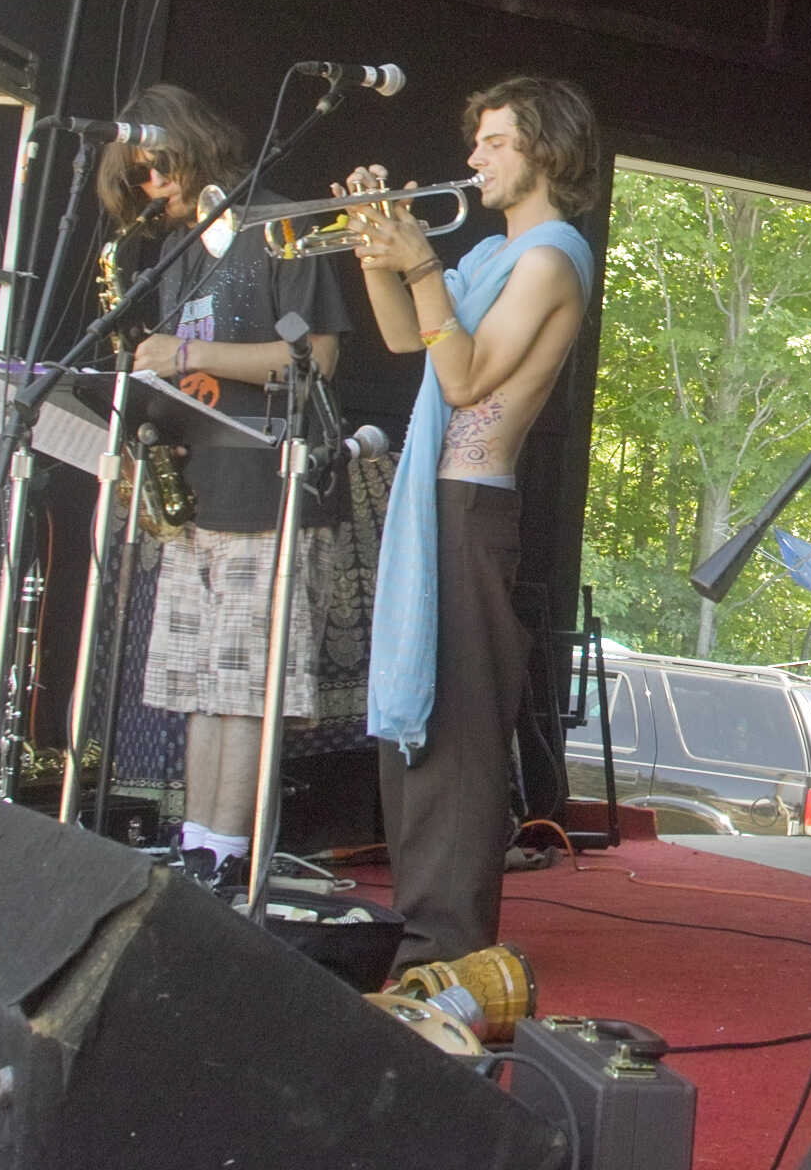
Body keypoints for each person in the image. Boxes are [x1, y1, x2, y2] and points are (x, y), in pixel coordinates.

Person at [343, 75, 599, 967]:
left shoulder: (551, 257)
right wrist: (375, 248)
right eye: (478, 140)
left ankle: (444, 949)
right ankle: (420, 932)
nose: (474, 157)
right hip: (441, 505)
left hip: (470, 503)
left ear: (544, 150)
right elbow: (406, 338)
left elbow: (463, 378)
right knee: (420, 736)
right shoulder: (494, 254)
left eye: (495, 142)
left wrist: (420, 263)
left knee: (455, 736)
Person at [97, 83, 349, 890]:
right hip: (198, 496)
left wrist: (187, 355)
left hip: (268, 493)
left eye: (157, 167)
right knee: (201, 692)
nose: (151, 187)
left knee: (242, 693)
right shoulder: (179, 252)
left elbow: (316, 361)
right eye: (136, 177)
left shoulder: (278, 224)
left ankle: (227, 855)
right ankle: (197, 843)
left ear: (194, 146)